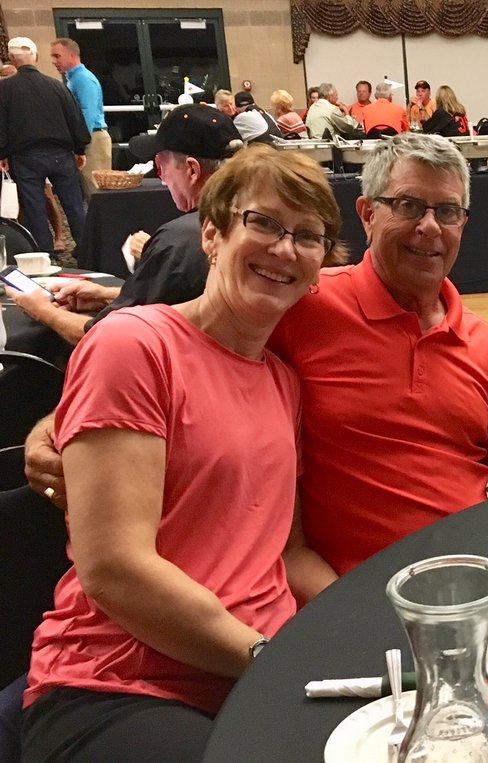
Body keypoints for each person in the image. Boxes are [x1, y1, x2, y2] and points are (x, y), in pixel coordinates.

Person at [19, 144, 342, 761]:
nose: (285, 249)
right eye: (264, 223)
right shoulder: (135, 346)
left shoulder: (282, 381)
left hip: (252, 677)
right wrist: (270, 659)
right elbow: (115, 569)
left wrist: (363, 625)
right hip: (121, 685)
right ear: (212, 234)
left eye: (308, 236)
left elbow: (289, 551)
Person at [264, 132, 488, 592]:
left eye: (447, 211)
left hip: (469, 592)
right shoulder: (303, 307)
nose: (430, 227)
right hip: (342, 597)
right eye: (409, 205)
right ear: (367, 214)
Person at [6, 104, 245, 346]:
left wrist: (41, 309)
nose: (161, 177)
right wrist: (106, 295)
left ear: (192, 170)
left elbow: (103, 337)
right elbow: (180, 302)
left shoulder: (181, 241)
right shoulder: (248, 224)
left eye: (161, 166)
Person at [0, 37, 88, 255]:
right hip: (61, 154)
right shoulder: (56, 85)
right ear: (36, 56)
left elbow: (1, 124)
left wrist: (2, 153)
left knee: (34, 209)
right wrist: (80, 149)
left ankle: (44, 255)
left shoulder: (4, 89)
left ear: (12, 59)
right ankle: (87, 249)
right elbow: (75, 118)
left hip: (25, 157)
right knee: (75, 206)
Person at [50, 37, 110, 198]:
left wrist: (80, 144)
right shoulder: (75, 79)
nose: (53, 61)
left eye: (57, 56)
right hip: (88, 138)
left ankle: (103, 217)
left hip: (92, 139)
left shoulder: (83, 79)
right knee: (91, 191)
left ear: (71, 55)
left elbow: (88, 113)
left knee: (96, 191)